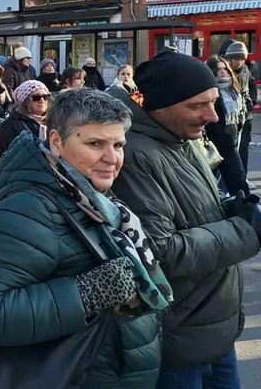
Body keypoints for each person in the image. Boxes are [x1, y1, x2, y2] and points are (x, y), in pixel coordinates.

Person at [0, 89, 169, 388]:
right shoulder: (29, 208)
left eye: (119, 145)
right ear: (57, 142)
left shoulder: (90, 194)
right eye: (95, 143)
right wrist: (86, 293)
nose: (112, 158)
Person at [110, 51, 261, 388]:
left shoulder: (181, 137)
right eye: (197, 106)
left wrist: (229, 207)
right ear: (160, 106)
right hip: (181, 333)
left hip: (212, 325)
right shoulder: (134, 155)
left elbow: (194, 210)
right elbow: (159, 251)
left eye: (213, 102)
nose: (212, 116)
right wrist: (244, 228)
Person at [205, 56, 247, 196]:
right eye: (218, 69)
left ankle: (246, 210)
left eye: (225, 68)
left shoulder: (233, 89)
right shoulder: (208, 91)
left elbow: (240, 111)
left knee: (239, 182)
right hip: (210, 146)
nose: (222, 72)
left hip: (229, 144)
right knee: (207, 187)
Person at [222, 40, 256, 180]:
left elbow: (252, 86)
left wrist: (251, 103)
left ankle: (243, 178)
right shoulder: (224, 72)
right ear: (229, 58)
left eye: (242, 59)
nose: (239, 62)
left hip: (246, 117)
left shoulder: (246, 70)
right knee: (230, 151)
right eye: (236, 58)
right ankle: (230, 180)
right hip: (231, 119)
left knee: (243, 150)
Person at [0, 79, 49, 154]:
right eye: (36, 98)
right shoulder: (11, 125)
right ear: (25, 101)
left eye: (45, 97)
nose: (42, 100)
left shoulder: (55, 120)